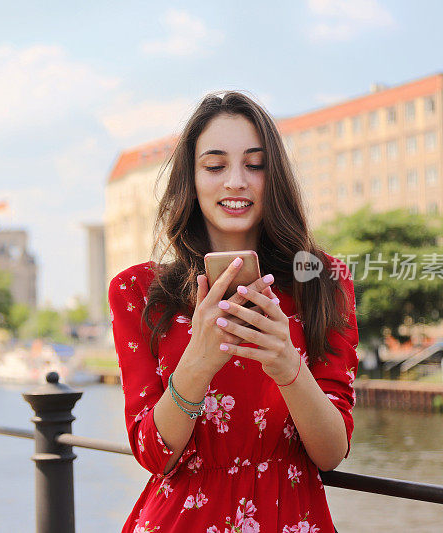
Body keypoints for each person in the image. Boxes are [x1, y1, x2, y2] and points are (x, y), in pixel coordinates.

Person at [108, 91, 359, 533]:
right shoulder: (139, 291)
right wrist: (199, 360)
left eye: (255, 165)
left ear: (273, 175)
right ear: (191, 177)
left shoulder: (324, 281)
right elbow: (152, 453)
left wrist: (287, 365)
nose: (236, 181)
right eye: (215, 165)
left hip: (290, 516)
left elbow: (331, 452)